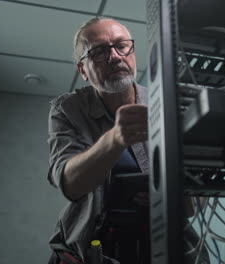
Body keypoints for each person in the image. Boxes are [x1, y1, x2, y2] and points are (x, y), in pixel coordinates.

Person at [47, 17, 209, 264]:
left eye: (121, 45)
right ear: (83, 71)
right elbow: (69, 184)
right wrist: (115, 139)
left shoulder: (167, 105)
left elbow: (192, 206)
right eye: (99, 51)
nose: (114, 56)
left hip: (161, 242)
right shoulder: (68, 109)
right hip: (94, 247)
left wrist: (170, 197)